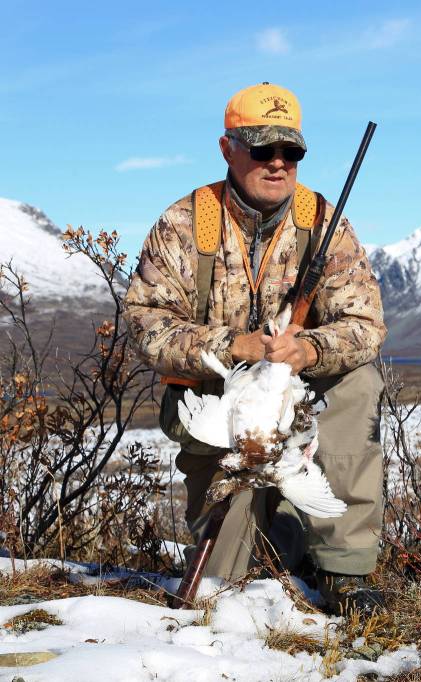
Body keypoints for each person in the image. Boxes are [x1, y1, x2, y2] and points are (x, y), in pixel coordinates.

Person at [124, 82, 387, 615]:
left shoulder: (324, 223)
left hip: (299, 389)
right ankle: (281, 538)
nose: (278, 163)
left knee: (359, 383)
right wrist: (233, 346)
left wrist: (307, 351)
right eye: (262, 148)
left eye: (291, 151)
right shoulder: (185, 223)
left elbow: (365, 323)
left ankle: (345, 569)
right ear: (227, 149)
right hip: (220, 403)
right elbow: (146, 324)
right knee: (226, 581)